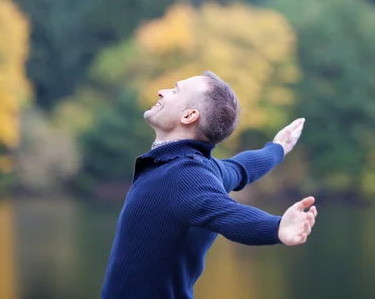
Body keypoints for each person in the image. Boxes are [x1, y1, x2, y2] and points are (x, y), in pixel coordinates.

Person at [101, 71, 317, 299]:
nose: (161, 92)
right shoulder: (200, 168)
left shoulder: (184, 176)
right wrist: (277, 148)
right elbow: (240, 168)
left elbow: (226, 212)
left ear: (189, 115)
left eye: (174, 91)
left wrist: (277, 227)